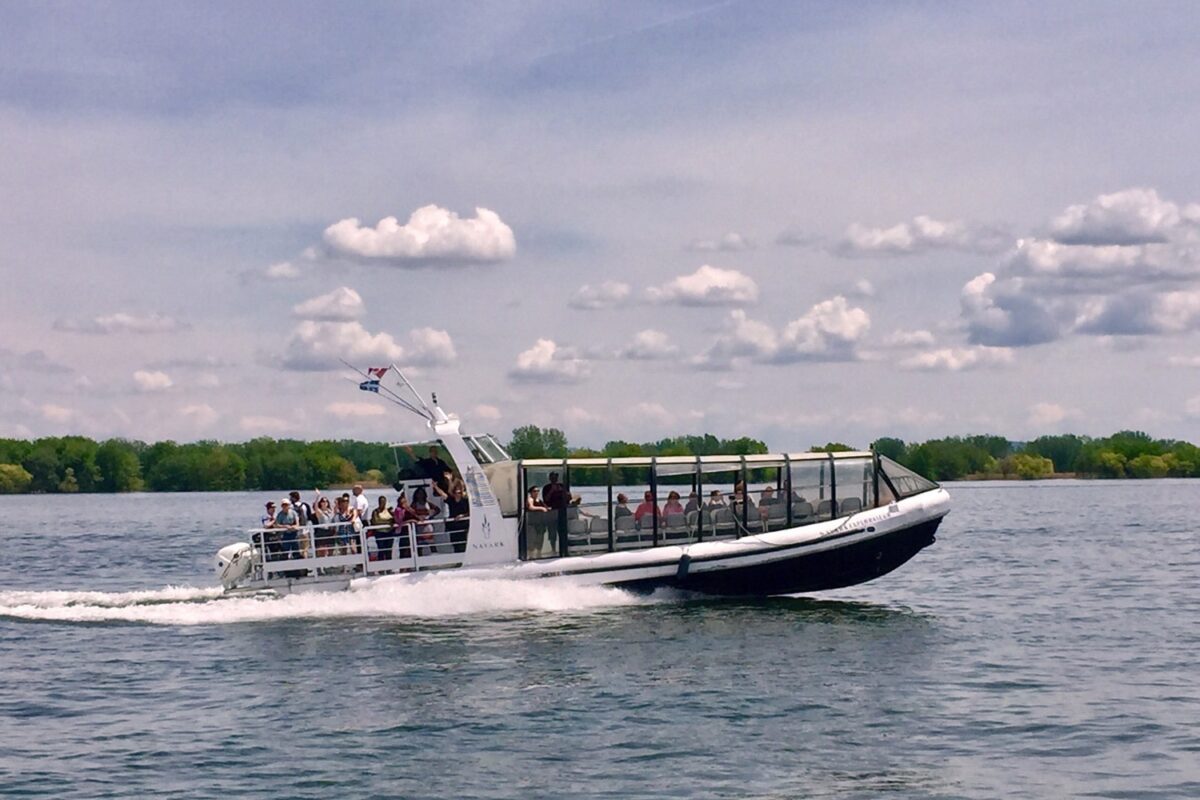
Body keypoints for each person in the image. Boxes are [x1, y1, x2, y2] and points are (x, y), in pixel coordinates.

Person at [542, 471, 569, 557]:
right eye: (553, 477)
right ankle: (553, 549)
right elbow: (545, 500)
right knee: (552, 532)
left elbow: (569, 498)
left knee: (562, 531)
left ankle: (563, 549)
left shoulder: (562, 486)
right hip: (552, 513)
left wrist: (563, 492)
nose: (554, 479)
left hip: (562, 512)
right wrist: (552, 491)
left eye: (556, 477)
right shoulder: (546, 487)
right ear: (549, 478)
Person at [445, 479, 470, 552]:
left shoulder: (465, 500)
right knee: (455, 543)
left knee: (464, 542)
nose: (458, 493)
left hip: (463, 525)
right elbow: (446, 493)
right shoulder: (451, 500)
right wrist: (449, 480)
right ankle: (458, 559)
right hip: (454, 526)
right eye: (456, 490)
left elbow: (470, 512)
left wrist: (463, 515)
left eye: (459, 491)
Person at [275, 497, 301, 567]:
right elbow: (277, 525)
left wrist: (294, 527)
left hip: (294, 534)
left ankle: (299, 567)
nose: (285, 506)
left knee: (296, 550)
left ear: (289, 505)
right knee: (285, 552)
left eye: (286, 505)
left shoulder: (293, 512)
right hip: (285, 535)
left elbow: (297, 523)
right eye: (283, 505)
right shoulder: (280, 514)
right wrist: (285, 526)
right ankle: (285, 567)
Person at [370, 495, 394, 560]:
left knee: (389, 550)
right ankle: (381, 566)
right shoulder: (375, 511)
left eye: (384, 501)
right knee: (381, 549)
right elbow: (376, 521)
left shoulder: (389, 511)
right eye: (381, 501)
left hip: (389, 532)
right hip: (379, 533)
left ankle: (389, 567)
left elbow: (393, 520)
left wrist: (388, 521)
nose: (382, 503)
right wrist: (387, 521)